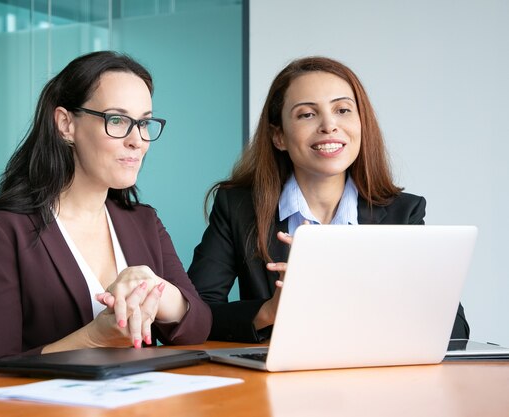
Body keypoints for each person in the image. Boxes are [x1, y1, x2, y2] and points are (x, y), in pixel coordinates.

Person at [0, 51, 212, 374]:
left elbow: (200, 325)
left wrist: (156, 291)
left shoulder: (144, 222)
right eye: (117, 120)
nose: (138, 141)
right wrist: (94, 337)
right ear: (66, 124)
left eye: (144, 122)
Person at [188, 56, 469, 343]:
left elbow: (455, 330)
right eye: (307, 114)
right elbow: (192, 316)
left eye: (343, 110)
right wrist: (270, 311)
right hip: (275, 381)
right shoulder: (238, 208)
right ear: (279, 136)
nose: (329, 125)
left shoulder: (403, 213)